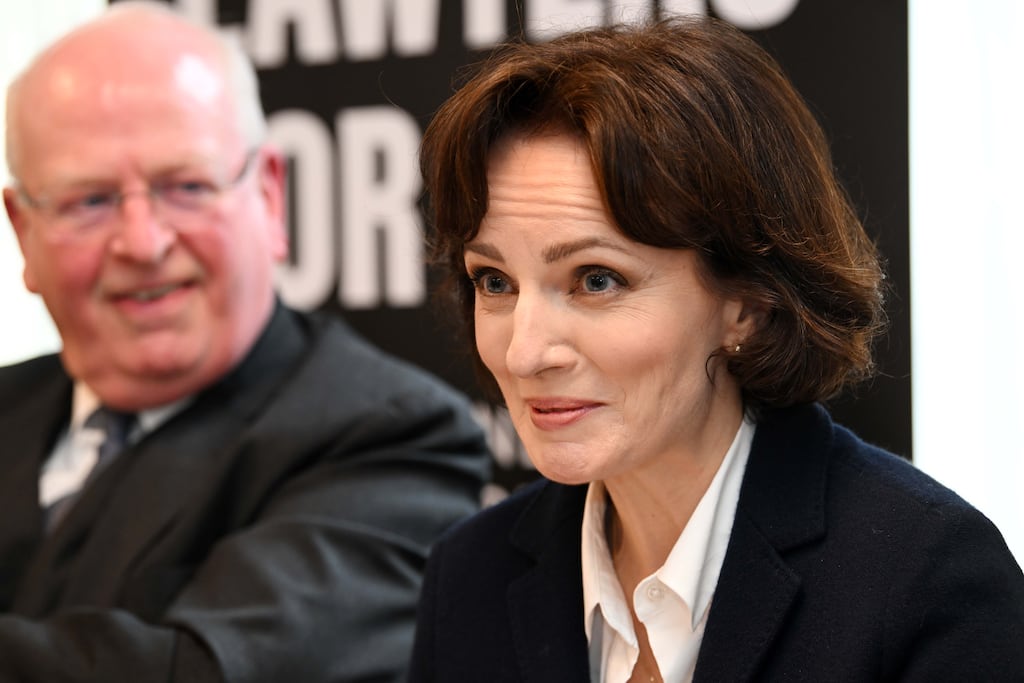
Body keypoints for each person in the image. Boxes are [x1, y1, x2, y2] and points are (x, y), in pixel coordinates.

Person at [408, 16, 1024, 682]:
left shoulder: (927, 583)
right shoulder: (469, 578)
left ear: (748, 302)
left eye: (595, 279)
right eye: (495, 281)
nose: (525, 352)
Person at [0, 2, 490, 681]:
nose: (143, 242)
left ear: (268, 195)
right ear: (23, 231)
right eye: (89, 200)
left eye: (187, 186)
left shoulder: (390, 434)